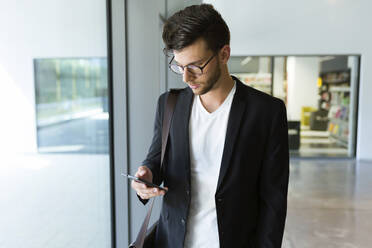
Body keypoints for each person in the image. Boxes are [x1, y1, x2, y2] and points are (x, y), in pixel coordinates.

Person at [131, 4, 289, 248]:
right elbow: (155, 161)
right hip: (173, 241)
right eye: (179, 66)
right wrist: (145, 177)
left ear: (224, 54)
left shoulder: (266, 112)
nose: (186, 77)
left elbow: (274, 200)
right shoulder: (169, 104)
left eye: (195, 66)